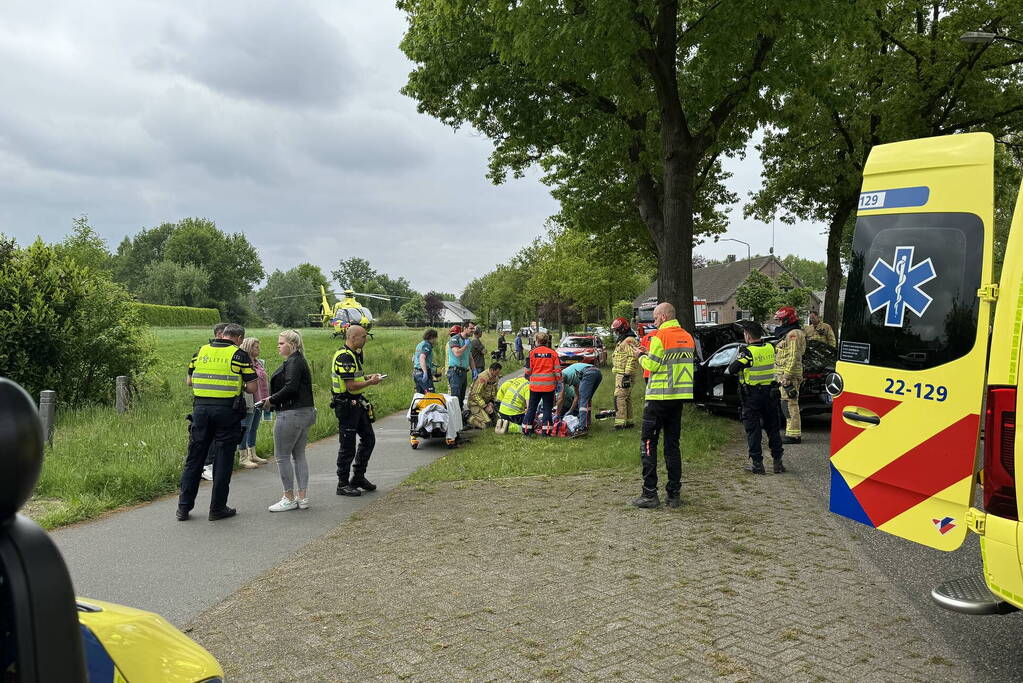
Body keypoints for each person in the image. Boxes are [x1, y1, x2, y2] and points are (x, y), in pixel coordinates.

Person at [177, 323, 256, 521]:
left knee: (194, 459)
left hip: (201, 411)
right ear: (238, 338)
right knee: (223, 461)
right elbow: (252, 387)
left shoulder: (200, 352)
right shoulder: (239, 355)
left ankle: (183, 508)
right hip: (226, 412)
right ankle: (217, 508)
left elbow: (189, 381)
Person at [629, 302, 695, 509]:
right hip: (678, 397)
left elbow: (653, 366)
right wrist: (648, 353)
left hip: (658, 398)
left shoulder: (660, 337)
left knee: (648, 444)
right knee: (672, 446)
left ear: (664, 316)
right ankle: (674, 494)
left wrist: (640, 356)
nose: (654, 322)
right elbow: (669, 362)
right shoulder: (687, 337)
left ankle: (650, 493)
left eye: (656, 318)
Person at [263, 330, 316, 512]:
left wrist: (271, 400)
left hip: (291, 413)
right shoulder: (300, 360)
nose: (278, 346)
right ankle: (303, 497)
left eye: (281, 343)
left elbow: (291, 387)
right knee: (299, 455)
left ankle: (289, 497)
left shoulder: (293, 362)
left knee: (282, 456)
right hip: (305, 411)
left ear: (292, 344)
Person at [727, 321, 785, 474]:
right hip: (770, 394)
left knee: (754, 430)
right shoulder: (770, 348)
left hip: (753, 396)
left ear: (747, 335)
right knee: (773, 428)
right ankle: (778, 462)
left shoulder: (747, 352)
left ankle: (758, 464)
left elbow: (731, 369)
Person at [332, 325, 383, 497]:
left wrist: (367, 377)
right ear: (353, 337)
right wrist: (370, 383)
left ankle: (358, 477)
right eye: (363, 336)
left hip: (357, 404)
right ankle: (343, 484)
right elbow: (351, 385)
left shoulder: (354, 354)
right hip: (346, 405)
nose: (366, 339)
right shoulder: (344, 356)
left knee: (369, 439)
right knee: (347, 446)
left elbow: (356, 378)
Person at [201, 322, 231, 481]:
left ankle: (211, 464)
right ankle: (207, 465)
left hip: (211, 402)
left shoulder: (204, 351)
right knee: (210, 436)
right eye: (227, 334)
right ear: (219, 335)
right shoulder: (207, 352)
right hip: (211, 402)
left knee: (214, 435)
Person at [773, 306, 806, 445]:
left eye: (780, 320)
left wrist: (786, 376)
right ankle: (790, 432)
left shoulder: (794, 334)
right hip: (784, 375)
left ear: (787, 320)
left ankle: (794, 435)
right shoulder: (787, 333)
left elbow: (793, 357)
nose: (778, 323)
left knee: (790, 404)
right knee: (786, 403)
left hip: (789, 376)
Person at [238, 337, 269, 468]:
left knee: (254, 428)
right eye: (256, 347)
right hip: (249, 400)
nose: (259, 349)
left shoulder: (260, 363)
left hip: (260, 399)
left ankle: (252, 453)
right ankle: (243, 456)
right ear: (249, 348)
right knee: (245, 428)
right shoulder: (243, 364)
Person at [522, 332, 561, 436]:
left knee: (531, 408)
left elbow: (527, 371)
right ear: (547, 341)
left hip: (535, 387)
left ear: (537, 341)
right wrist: (558, 381)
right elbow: (558, 371)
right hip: (549, 387)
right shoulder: (553, 353)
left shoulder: (532, 353)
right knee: (547, 409)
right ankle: (546, 431)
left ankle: (526, 430)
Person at [556, 361, 602, 432]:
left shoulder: (561, 376)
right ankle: (587, 422)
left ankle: (581, 427)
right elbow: (577, 396)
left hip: (588, 373)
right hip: (597, 372)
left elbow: (561, 398)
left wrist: (557, 414)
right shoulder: (574, 378)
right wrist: (570, 411)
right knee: (587, 399)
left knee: (583, 400)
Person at [610, 317, 638, 429]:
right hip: (621, 373)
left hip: (624, 374)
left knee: (619, 397)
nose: (616, 332)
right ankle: (629, 421)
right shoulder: (624, 339)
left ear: (623, 329)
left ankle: (620, 424)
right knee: (626, 397)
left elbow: (632, 357)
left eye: (617, 330)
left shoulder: (628, 340)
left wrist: (627, 374)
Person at [467, 362, 503, 429]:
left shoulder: (495, 377)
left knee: (496, 422)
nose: (498, 374)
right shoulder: (482, 378)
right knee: (487, 425)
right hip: (475, 404)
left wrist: (491, 402)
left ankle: (480, 417)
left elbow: (494, 392)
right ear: (492, 370)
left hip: (486, 402)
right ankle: (469, 417)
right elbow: (475, 395)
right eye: (497, 372)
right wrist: (485, 406)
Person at [446, 325, 471, 409]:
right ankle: (454, 419)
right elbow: (457, 353)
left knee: (461, 398)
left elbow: (469, 356)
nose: (473, 330)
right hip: (455, 371)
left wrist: (474, 369)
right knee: (455, 398)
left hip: (463, 371)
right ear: (464, 328)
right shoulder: (454, 340)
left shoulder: (467, 341)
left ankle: (460, 417)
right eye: (471, 328)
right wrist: (465, 346)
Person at [413, 329, 438, 394]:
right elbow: (422, 357)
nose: (436, 340)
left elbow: (414, 358)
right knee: (430, 395)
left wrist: (430, 363)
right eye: (436, 338)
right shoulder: (427, 345)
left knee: (420, 395)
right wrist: (425, 372)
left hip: (416, 372)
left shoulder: (420, 344)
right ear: (432, 337)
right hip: (422, 372)